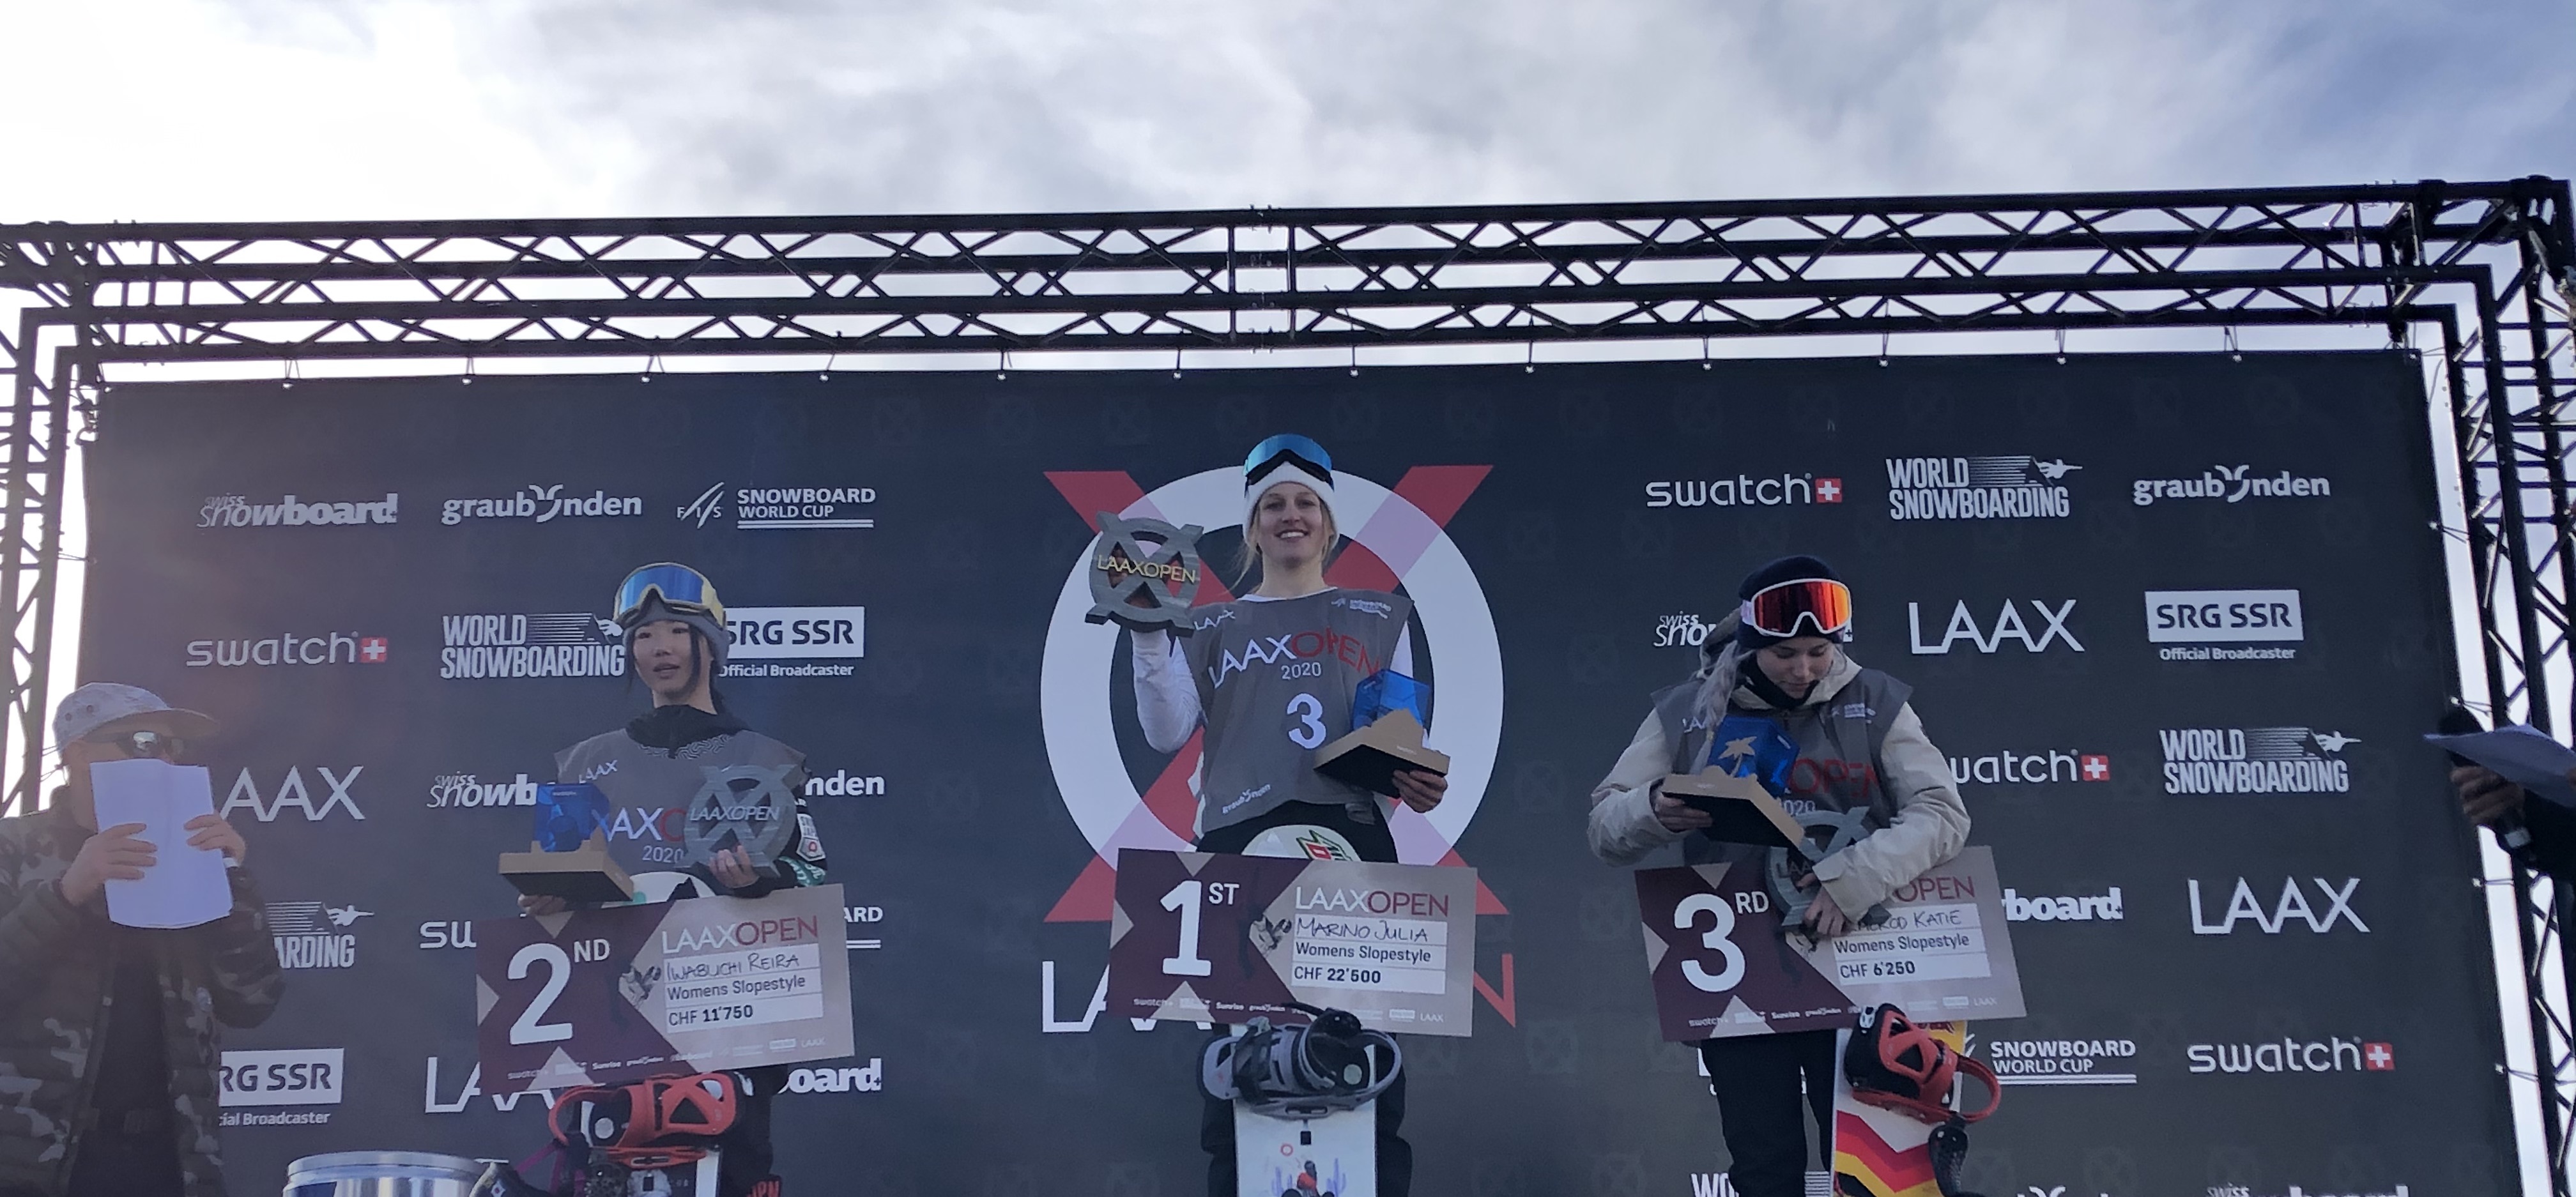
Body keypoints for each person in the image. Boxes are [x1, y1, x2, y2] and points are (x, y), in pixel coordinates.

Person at [1585, 556, 1968, 1197]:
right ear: (1748, 644)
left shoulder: (1875, 700)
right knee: (1764, 1167)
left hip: (1863, 958)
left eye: (1819, 651)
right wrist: (1653, 806)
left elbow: (1942, 812)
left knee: (1881, 1173)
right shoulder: (1687, 710)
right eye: (1785, 653)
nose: (1804, 669)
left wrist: (1854, 879)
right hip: (1739, 965)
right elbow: (1605, 825)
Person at [1126, 434, 1445, 1197]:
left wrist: (1415, 775)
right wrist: (1145, 628)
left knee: (1364, 1052)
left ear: (1330, 524)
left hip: (1353, 837)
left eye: (1306, 503)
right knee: (1240, 1056)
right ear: (1252, 525)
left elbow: (1396, 730)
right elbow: (1165, 732)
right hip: (1236, 842)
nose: (1290, 515)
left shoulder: (1379, 613)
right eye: (1273, 504)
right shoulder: (1205, 626)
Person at [525, 563, 828, 1197]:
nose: (659, 648)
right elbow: (551, 883)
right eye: (642, 635)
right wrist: (548, 900)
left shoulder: (768, 759)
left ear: (708, 643)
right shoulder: (581, 763)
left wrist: (760, 880)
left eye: (674, 631)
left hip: (727, 1027)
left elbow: (812, 882)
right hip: (609, 1026)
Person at [0, 683, 281, 1197]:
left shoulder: (193, 856)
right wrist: (67, 893)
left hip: (167, 1162)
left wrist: (233, 882)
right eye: (145, 742)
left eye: (175, 747)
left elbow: (252, 1002)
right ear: (79, 755)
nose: (166, 759)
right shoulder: (13, 848)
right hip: (33, 1162)